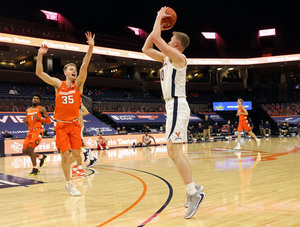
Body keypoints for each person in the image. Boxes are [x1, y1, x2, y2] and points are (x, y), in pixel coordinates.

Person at [142, 6, 205, 219]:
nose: (167, 41)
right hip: (171, 106)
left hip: (177, 104)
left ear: (177, 44)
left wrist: (159, 18)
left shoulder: (179, 58)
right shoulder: (167, 59)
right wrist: (158, 26)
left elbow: (157, 40)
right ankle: (193, 188)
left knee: (174, 150)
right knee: (172, 150)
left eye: (170, 40)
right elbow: (146, 48)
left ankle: (193, 192)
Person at [35, 31, 95, 196]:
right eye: (71, 69)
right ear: (66, 72)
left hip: (75, 124)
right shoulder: (58, 84)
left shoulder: (79, 85)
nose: (74, 70)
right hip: (61, 125)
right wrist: (40, 55)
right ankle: (69, 184)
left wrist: (90, 48)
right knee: (65, 155)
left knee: (76, 154)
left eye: (75, 69)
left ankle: (77, 170)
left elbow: (84, 65)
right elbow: (39, 73)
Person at [22, 92, 50, 175]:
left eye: (37, 98)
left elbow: (48, 121)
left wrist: (40, 119)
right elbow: (30, 123)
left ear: (39, 101)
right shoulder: (28, 110)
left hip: (38, 130)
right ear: (32, 100)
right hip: (30, 131)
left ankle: (35, 168)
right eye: (34, 98)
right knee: (25, 151)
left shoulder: (41, 109)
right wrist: (26, 122)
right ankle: (41, 157)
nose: (35, 99)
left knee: (31, 149)